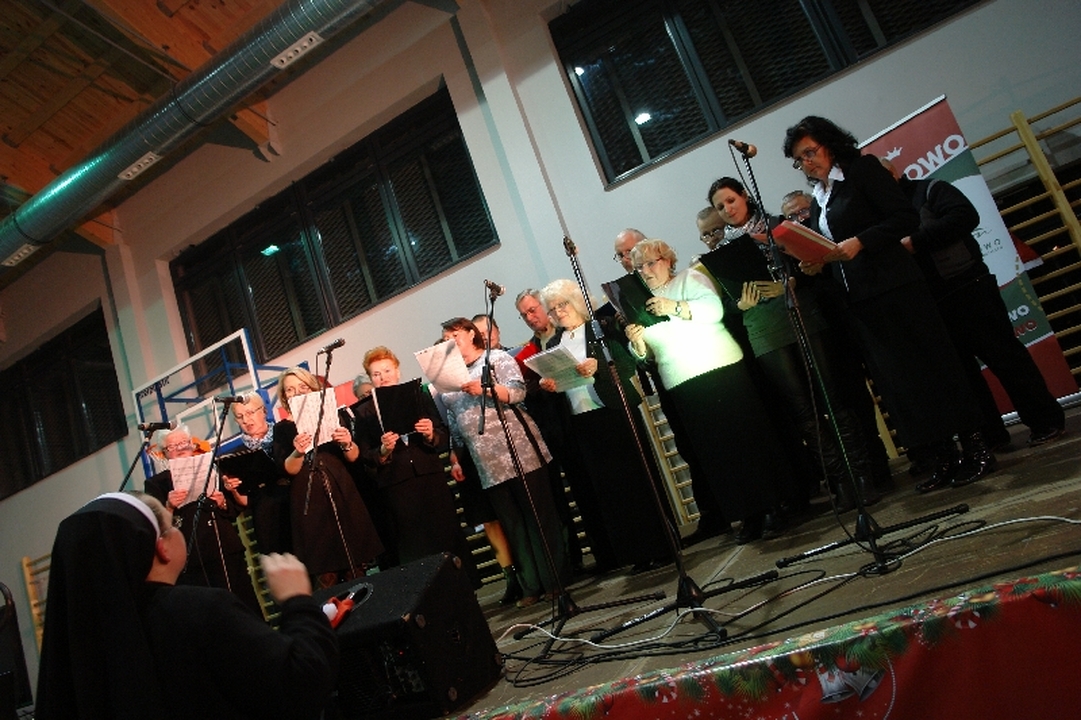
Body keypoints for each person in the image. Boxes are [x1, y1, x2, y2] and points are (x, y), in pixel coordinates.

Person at [783, 115, 994, 492]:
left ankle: (976, 447)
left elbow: (904, 217)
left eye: (809, 153)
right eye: (799, 160)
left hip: (897, 288)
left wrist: (861, 241)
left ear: (830, 144)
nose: (806, 163)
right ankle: (942, 456)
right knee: (904, 383)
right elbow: (832, 246)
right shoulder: (820, 197)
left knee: (934, 367)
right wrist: (816, 262)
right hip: (861, 301)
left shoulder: (863, 170)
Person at [35, 492, 338, 720]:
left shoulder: (79, 651)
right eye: (174, 525)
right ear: (161, 547)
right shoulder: (200, 611)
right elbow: (303, 683)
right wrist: (298, 602)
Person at [706, 176, 881, 510]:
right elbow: (722, 304)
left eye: (730, 200)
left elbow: (816, 264)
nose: (727, 209)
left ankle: (862, 476)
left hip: (803, 316)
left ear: (745, 196)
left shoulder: (779, 226)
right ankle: (840, 483)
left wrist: (791, 281)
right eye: (720, 207)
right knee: (804, 411)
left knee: (832, 399)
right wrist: (738, 303)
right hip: (764, 331)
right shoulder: (721, 251)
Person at [881, 158, 1065, 450]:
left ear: (893, 172)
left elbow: (965, 215)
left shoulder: (930, 189)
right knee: (964, 377)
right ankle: (992, 438)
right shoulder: (884, 215)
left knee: (1005, 357)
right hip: (930, 301)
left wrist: (916, 241)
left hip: (968, 284)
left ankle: (1046, 421)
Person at [624, 239, 795, 543]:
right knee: (716, 454)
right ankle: (747, 514)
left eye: (651, 263)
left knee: (746, 442)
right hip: (682, 383)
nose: (646, 271)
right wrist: (636, 342)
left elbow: (714, 310)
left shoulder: (689, 278)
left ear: (668, 260)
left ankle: (773, 506)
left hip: (720, 371)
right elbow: (644, 354)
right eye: (639, 267)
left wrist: (674, 307)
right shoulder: (640, 302)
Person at [538, 279, 673, 571]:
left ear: (576, 302)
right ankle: (635, 553)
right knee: (610, 490)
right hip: (582, 421)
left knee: (637, 480)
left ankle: (661, 545)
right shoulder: (553, 344)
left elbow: (626, 364)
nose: (558, 312)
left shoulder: (601, 327)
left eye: (562, 304)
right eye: (552, 308)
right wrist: (550, 385)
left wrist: (599, 367)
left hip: (614, 410)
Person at [438, 317, 565, 607]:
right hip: (487, 463)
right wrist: (455, 455)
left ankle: (554, 581)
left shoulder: (496, 359)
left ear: (471, 334)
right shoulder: (449, 380)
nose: (450, 342)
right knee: (513, 526)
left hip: (519, 452)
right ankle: (530, 585)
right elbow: (455, 424)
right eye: (446, 339)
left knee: (539, 518)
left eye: (455, 335)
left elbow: (518, 391)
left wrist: (484, 389)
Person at [354, 346, 474, 574]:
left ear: (398, 371)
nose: (383, 377)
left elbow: (442, 433)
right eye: (376, 374)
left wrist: (430, 433)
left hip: (430, 476)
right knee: (414, 546)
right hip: (396, 484)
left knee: (446, 535)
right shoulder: (364, 411)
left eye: (387, 371)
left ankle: (463, 584)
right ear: (371, 379)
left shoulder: (418, 395)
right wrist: (383, 451)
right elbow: (365, 454)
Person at [274, 366, 383, 586]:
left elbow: (353, 456)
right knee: (326, 572)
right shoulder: (282, 429)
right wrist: (297, 452)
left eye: (303, 387)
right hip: (309, 499)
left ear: (313, 388)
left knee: (357, 567)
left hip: (340, 490)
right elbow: (289, 469)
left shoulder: (334, 415)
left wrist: (347, 443)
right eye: (290, 389)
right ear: (284, 397)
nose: (297, 392)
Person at [143, 426, 261, 615]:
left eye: (184, 443)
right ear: (164, 453)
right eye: (173, 446)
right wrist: (169, 506)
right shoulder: (157, 484)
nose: (180, 449)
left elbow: (234, 510)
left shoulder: (211, 468)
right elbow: (156, 527)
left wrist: (223, 502)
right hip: (190, 557)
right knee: (207, 612)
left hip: (225, 549)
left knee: (244, 605)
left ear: (192, 444)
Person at [513, 289, 588, 573]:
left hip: (579, 417)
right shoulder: (528, 351)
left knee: (588, 487)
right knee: (564, 498)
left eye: (533, 310)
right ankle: (576, 560)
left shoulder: (566, 334)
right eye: (524, 315)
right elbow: (527, 390)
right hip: (552, 428)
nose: (530, 317)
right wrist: (538, 386)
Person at [223, 392, 292, 555]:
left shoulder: (284, 434)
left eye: (250, 413)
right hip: (266, 519)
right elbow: (245, 501)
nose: (246, 420)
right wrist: (233, 489)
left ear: (264, 411)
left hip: (295, 504)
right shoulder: (235, 456)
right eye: (240, 416)